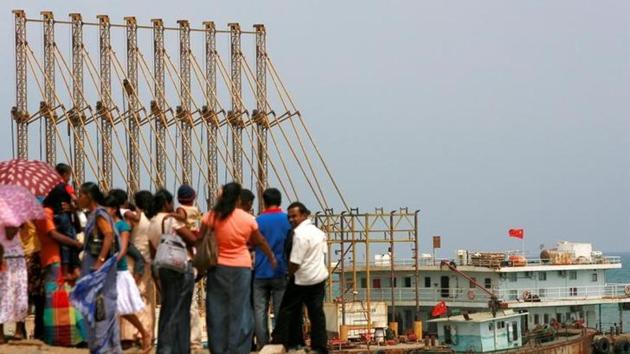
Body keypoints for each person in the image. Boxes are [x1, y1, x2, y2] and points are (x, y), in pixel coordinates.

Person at [200, 182, 277, 354]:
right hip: (241, 268)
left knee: (216, 309)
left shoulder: (211, 216)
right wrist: (271, 256)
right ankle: (239, 349)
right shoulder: (246, 219)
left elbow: (200, 238)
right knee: (241, 309)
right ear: (238, 199)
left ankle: (218, 348)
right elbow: (259, 241)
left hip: (217, 267)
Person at [272, 202, 329, 354]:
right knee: (316, 313)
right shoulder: (319, 232)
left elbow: (295, 261)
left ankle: (281, 339)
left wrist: (289, 274)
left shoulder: (299, 234)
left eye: (294, 216)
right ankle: (320, 346)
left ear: (304, 215)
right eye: (289, 217)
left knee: (287, 310)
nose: (291, 220)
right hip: (318, 277)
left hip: (302, 278)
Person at [147, 189, 198, 354]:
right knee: (182, 311)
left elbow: (152, 252)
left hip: (163, 268)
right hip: (180, 267)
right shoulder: (171, 221)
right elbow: (191, 239)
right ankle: (179, 349)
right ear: (166, 204)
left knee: (167, 309)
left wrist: (156, 275)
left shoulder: (153, 222)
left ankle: (164, 348)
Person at [34, 198, 87, 346]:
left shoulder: (58, 213)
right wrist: (76, 244)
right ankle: (65, 337)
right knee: (58, 301)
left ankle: (69, 337)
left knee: (62, 300)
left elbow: (76, 228)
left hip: (60, 259)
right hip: (54, 259)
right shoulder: (45, 213)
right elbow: (53, 234)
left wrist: (74, 211)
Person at [78, 182, 122, 354]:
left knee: (100, 308)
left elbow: (109, 234)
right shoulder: (95, 214)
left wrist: (100, 260)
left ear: (89, 197)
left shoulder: (99, 215)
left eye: (81, 194)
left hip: (99, 270)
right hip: (99, 269)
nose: (78, 198)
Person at [104, 194, 151, 353]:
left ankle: (143, 334)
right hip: (109, 269)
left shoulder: (122, 226)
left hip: (119, 270)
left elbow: (123, 249)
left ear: (114, 209)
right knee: (111, 307)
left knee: (122, 308)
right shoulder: (107, 225)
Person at [252, 188, 292, 349]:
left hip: (260, 272)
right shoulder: (287, 220)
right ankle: (280, 342)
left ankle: (263, 345)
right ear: (280, 201)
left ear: (264, 201)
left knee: (260, 311)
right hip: (280, 271)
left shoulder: (257, 221)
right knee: (281, 309)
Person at [119, 190, 156, 347]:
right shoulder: (151, 220)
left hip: (131, 262)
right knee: (146, 300)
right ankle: (146, 333)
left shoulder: (134, 217)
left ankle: (129, 334)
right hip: (147, 261)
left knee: (131, 297)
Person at [0, 223, 28, 343]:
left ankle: (18, 330)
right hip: (6, 256)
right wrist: (17, 222)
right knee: (6, 293)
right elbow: (10, 234)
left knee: (18, 292)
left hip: (15, 256)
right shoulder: (7, 214)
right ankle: (13, 331)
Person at [19, 221, 44, 340]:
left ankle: (35, 331)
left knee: (35, 297)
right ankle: (25, 331)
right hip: (28, 254)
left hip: (33, 254)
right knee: (30, 296)